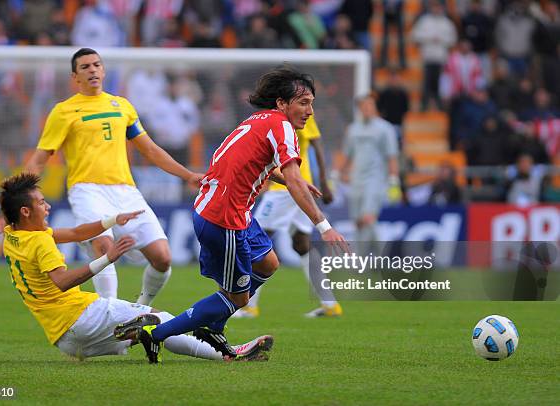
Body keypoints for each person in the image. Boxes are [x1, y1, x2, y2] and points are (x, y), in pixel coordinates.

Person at [135, 67, 348, 363]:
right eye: (303, 103)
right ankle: (155, 334)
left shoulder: (258, 120)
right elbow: (293, 177)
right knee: (238, 298)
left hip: (228, 210)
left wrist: (289, 180)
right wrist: (324, 226)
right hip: (225, 218)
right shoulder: (282, 127)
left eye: (312, 103)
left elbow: (257, 163)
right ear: (282, 104)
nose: (310, 110)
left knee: (268, 262)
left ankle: (215, 325)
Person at [0, 173, 273, 362]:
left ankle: (136, 332)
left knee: (145, 329)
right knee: (163, 320)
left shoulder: (12, 237)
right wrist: (107, 258)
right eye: (41, 202)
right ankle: (228, 353)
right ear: (25, 211)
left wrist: (112, 220)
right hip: (82, 318)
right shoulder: (40, 243)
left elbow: (77, 232)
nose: (46, 207)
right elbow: (62, 282)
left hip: (64, 340)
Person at [25, 48, 203, 304]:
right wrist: (22, 198)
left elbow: (150, 149)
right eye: (85, 67)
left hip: (125, 191)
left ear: (104, 70)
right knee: (105, 250)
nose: (92, 70)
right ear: (75, 77)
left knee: (163, 258)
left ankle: (137, 312)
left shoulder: (122, 106)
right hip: (87, 190)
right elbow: (40, 159)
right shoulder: (63, 112)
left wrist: (186, 175)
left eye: (96, 65)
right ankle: (110, 320)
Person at [234, 113, 342, 318]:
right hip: (300, 187)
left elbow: (317, 145)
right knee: (301, 244)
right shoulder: (282, 116)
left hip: (287, 189)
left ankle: (248, 306)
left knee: (253, 240)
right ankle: (329, 304)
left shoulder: (298, 114)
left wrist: (325, 182)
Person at [341, 94, 400, 254]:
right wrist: (337, 174)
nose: (367, 109)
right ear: (360, 108)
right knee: (358, 222)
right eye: (363, 106)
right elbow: (348, 155)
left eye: (370, 105)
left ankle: (382, 257)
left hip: (376, 180)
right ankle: (367, 259)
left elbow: (392, 156)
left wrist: (394, 181)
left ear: (375, 107)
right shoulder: (353, 129)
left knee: (368, 217)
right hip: (357, 179)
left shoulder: (385, 128)